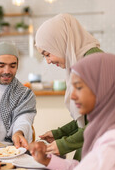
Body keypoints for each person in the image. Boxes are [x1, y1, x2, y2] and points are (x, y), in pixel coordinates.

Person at [35, 13, 103, 160]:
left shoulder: (93, 62)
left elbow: (99, 123)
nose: (48, 61)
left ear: (61, 41)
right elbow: (88, 118)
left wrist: (63, 144)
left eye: (48, 53)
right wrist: (59, 134)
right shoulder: (82, 61)